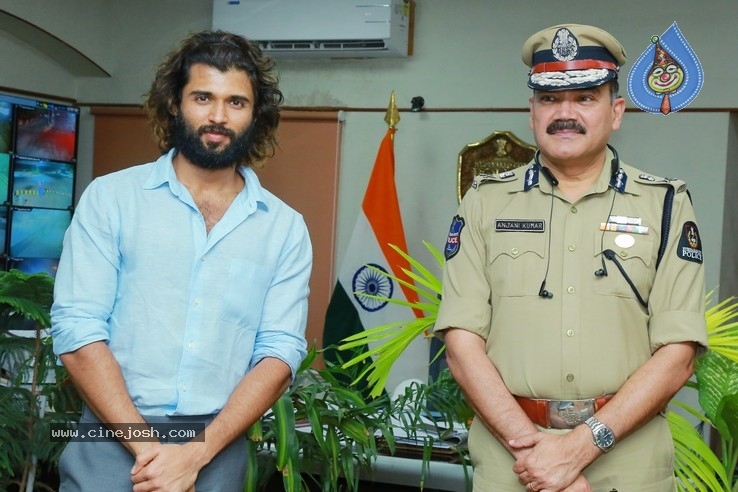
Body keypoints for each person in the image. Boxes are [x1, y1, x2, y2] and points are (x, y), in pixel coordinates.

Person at [434, 24, 707, 492]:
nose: (565, 114)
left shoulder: (664, 204)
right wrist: (536, 454)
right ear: (532, 111)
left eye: (585, 98)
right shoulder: (485, 201)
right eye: (549, 99)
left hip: (629, 461)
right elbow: (461, 343)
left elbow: (678, 353)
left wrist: (579, 449)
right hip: (511, 460)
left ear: (616, 111)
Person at [50, 30, 312, 491]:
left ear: (256, 115)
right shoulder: (111, 200)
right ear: (175, 103)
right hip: (111, 444)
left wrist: (196, 453)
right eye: (203, 97)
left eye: (236, 102)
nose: (218, 116)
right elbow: (77, 329)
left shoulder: (284, 228)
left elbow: (280, 352)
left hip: (216, 451)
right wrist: (153, 454)